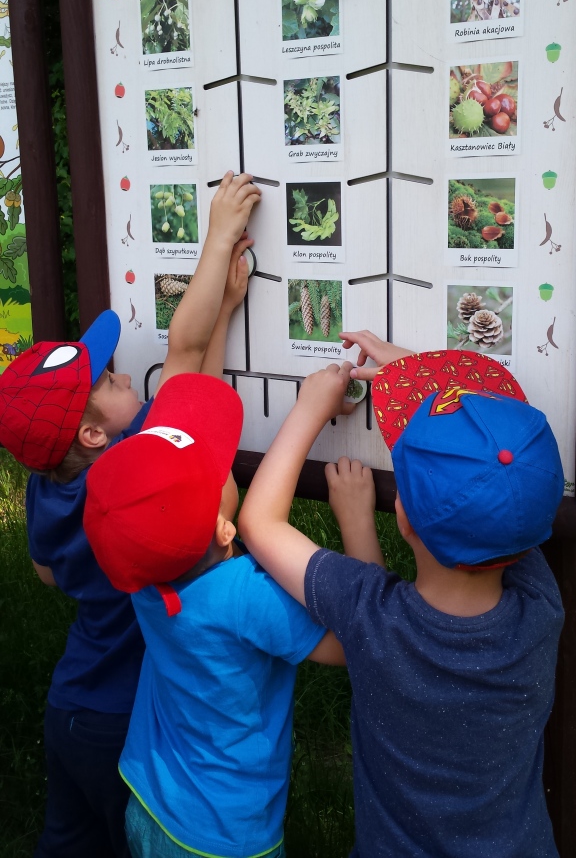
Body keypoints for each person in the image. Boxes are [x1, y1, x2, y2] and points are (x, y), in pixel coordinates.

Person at [0, 170, 261, 858]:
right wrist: (218, 237)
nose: (123, 375)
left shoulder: (48, 485)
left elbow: (46, 572)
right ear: (93, 435)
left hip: (70, 705)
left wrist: (225, 310)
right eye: (110, 380)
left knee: (66, 842)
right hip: (124, 719)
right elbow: (183, 353)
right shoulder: (132, 469)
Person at [238, 332, 564, 858]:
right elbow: (505, 470)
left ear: (403, 518)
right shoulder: (541, 607)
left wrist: (309, 409)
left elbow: (259, 523)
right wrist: (422, 374)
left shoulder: (371, 617)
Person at [83, 373, 345, 858]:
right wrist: (355, 519)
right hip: (225, 836)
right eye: (217, 465)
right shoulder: (246, 597)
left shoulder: (140, 570)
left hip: (149, 801)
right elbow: (354, 644)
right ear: (225, 530)